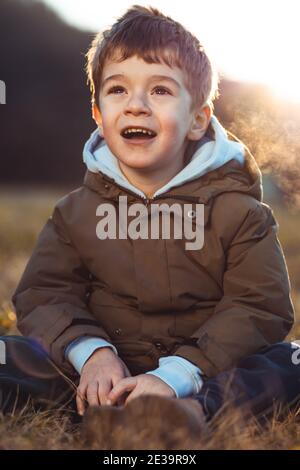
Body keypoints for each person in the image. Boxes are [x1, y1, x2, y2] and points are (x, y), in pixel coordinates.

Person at [2, 6, 300, 431]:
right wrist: (92, 353)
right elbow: (44, 293)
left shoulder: (241, 213)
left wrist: (176, 376)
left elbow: (259, 307)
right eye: (118, 90)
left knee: (290, 360)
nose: (136, 105)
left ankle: (187, 414)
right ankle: (104, 408)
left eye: (160, 90)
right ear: (98, 115)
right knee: (12, 353)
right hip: (100, 374)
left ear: (198, 119)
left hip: (204, 374)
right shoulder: (74, 213)